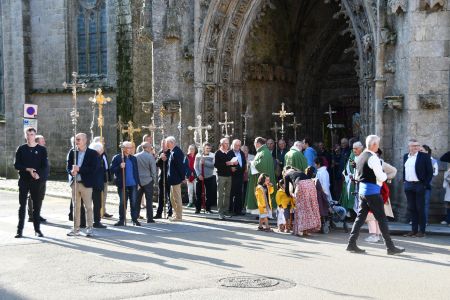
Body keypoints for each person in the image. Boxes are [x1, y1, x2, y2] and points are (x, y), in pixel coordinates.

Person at [346, 135, 405, 255]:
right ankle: (390, 247)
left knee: (360, 218)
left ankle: (351, 244)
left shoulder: (361, 156)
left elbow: (357, 175)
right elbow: (381, 176)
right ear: (373, 145)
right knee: (382, 220)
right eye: (377, 144)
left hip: (363, 192)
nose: (378, 146)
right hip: (372, 193)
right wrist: (386, 177)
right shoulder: (373, 158)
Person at [14, 127, 48, 238]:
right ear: (25, 136)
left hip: (36, 181)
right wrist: (28, 169)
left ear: (35, 135)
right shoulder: (21, 149)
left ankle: (37, 230)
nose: (30, 137)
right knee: (22, 206)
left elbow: (44, 166)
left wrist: (38, 174)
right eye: (28, 134)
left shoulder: (42, 150)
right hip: (24, 180)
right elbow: (16, 165)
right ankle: (19, 231)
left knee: (36, 206)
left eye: (32, 134)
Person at [66, 133, 98, 236]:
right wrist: (71, 171)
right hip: (75, 183)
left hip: (86, 184)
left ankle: (90, 228)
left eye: (79, 139)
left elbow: (94, 169)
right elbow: (68, 166)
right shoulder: (72, 152)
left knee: (88, 207)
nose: (77, 141)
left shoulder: (92, 153)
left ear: (85, 140)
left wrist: (79, 169)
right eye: (76, 139)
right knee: (76, 207)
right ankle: (76, 229)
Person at [365, 149, 397, 243]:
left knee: (374, 214)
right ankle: (376, 235)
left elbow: (394, 170)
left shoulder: (381, 163)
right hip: (374, 189)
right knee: (374, 214)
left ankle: (375, 235)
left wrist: (385, 178)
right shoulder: (369, 162)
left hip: (379, 190)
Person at [403, 139, 433, 237]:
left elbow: (430, 172)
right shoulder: (405, 156)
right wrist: (404, 180)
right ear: (409, 147)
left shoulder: (424, 156)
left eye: (417, 145)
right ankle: (414, 230)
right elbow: (405, 169)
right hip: (408, 185)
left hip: (419, 185)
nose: (416, 147)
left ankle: (422, 231)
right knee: (412, 208)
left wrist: (424, 184)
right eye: (413, 146)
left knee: (420, 208)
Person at [110, 141, 141, 226]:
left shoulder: (133, 158)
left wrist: (138, 183)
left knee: (134, 202)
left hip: (133, 184)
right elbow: (111, 170)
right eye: (128, 147)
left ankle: (134, 219)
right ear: (123, 149)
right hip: (122, 184)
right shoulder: (117, 158)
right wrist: (120, 166)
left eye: (131, 147)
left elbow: (136, 171)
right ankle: (121, 220)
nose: (130, 149)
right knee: (123, 202)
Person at [245, 137, 277, 214]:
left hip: (263, 180)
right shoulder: (263, 151)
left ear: (258, 143)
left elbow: (260, 165)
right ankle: (262, 214)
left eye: (255, 143)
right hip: (263, 179)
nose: (254, 145)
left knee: (263, 197)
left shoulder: (264, 152)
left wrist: (251, 163)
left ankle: (263, 213)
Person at [27, 134, 48, 223]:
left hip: (42, 179)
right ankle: (32, 216)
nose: (44, 142)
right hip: (34, 179)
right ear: (37, 142)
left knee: (39, 197)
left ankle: (37, 214)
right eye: (42, 141)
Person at [135, 142, 157, 223]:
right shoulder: (150, 157)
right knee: (149, 200)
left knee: (137, 199)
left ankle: (136, 216)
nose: (151, 148)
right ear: (147, 148)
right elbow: (153, 170)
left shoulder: (136, 156)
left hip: (138, 181)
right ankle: (149, 218)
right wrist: (153, 180)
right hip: (148, 180)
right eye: (151, 147)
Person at [340, 141, 364, 214]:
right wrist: (349, 175)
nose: (354, 150)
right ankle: (354, 214)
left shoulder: (364, 156)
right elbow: (348, 167)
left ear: (361, 149)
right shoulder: (351, 156)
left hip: (361, 181)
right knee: (352, 197)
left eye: (356, 149)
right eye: (353, 148)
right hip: (352, 180)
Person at [214, 137, 235, 220]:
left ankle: (226, 210)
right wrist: (226, 163)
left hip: (229, 176)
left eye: (228, 143)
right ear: (222, 144)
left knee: (227, 194)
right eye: (226, 143)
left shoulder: (230, 152)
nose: (227, 145)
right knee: (220, 195)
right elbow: (216, 165)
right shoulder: (217, 153)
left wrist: (234, 164)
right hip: (221, 176)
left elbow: (232, 162)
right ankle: (220, 212)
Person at [92, 136, 113, 218]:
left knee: (104, 195)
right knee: (98, 196)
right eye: (102, 141)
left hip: (105, 176)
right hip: (98, 178)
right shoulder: (95, 154)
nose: (104, 143)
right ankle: (98, 212)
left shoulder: (103, 153)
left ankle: (103, 210)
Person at [166, 136, 185, 221]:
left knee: (177, 198)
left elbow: (180, 166)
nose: (166, 144)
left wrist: (182, 177)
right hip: (172, 179)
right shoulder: (172, 151)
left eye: (167, 143)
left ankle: (179, 216)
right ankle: (175, 214)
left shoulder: (176, 152)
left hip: (176, 179)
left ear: (171, 143)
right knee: (172, 198)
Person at [89, 142, 107, 229]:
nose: (103, 150)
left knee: (96, 204)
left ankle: (95, 220)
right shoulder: (96, 157)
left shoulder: (98, 157)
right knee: (97, 204)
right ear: (98, 150)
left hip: (96, 184)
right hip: (95, 184)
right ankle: (96, 221)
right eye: (101, 149)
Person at [194, 142, 216, 213]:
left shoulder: (213, 155)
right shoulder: (198, 155)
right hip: (200, 177)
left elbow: (213, 165)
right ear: (203, 148)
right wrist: (199, 175)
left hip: (209, 176)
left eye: (209, 148)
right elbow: (196, 166)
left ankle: (208, 208)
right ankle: (198, 208)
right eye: (207, 148)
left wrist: (205, 162)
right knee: (198, 193)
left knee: (209, 193)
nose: (208, 150)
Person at [421, 145, 439, 225]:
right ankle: (415, 219)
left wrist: (429, 171)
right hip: (417, 184)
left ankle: (425, 220)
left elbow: (435, 172)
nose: (420, 152)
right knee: (415, 202)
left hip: (427, 184)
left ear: (427, 151)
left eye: (422, 150)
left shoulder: (433, 161)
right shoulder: (418, 159)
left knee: (425, 203)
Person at [155, 140, 172, 219]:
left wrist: (166, 159)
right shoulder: (160, 152)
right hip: (161, 176)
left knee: (169, 195)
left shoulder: (171, 152)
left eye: (164, 144)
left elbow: (172, 163)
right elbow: (157, 164)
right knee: (161, 195)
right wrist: (160, 158)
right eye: (162, 144)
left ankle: (170, 213)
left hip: (169, 176)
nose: (163, 146)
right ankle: (159, 213)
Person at [229, 139, 247, 215]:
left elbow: (244, 162)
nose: (237, 147)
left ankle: (238, 210)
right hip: (231, 176)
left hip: (240, 176)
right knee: (231, 193)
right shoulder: (229, 153)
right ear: (232, 145)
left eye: (239, 145)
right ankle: (230, 210)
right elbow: (224, 163)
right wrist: (230, 168)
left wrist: (243, 170)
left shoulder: (242, 153)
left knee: (239, 193)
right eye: (236, 145)